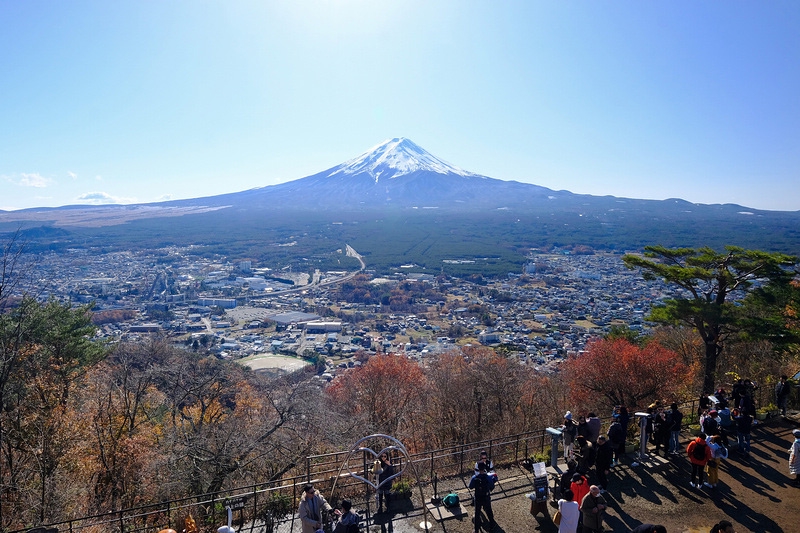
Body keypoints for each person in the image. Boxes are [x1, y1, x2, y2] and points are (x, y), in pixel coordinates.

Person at [469, 462, 496, 533]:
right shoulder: (488, 477)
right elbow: (492, 486)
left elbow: (470, 487)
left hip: (478, 497)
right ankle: (492, 524)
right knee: (489, 510)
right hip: (486, 497)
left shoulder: (474, 477)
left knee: (477, 512)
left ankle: (476, 529)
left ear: (478, 468)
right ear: (484, 468)